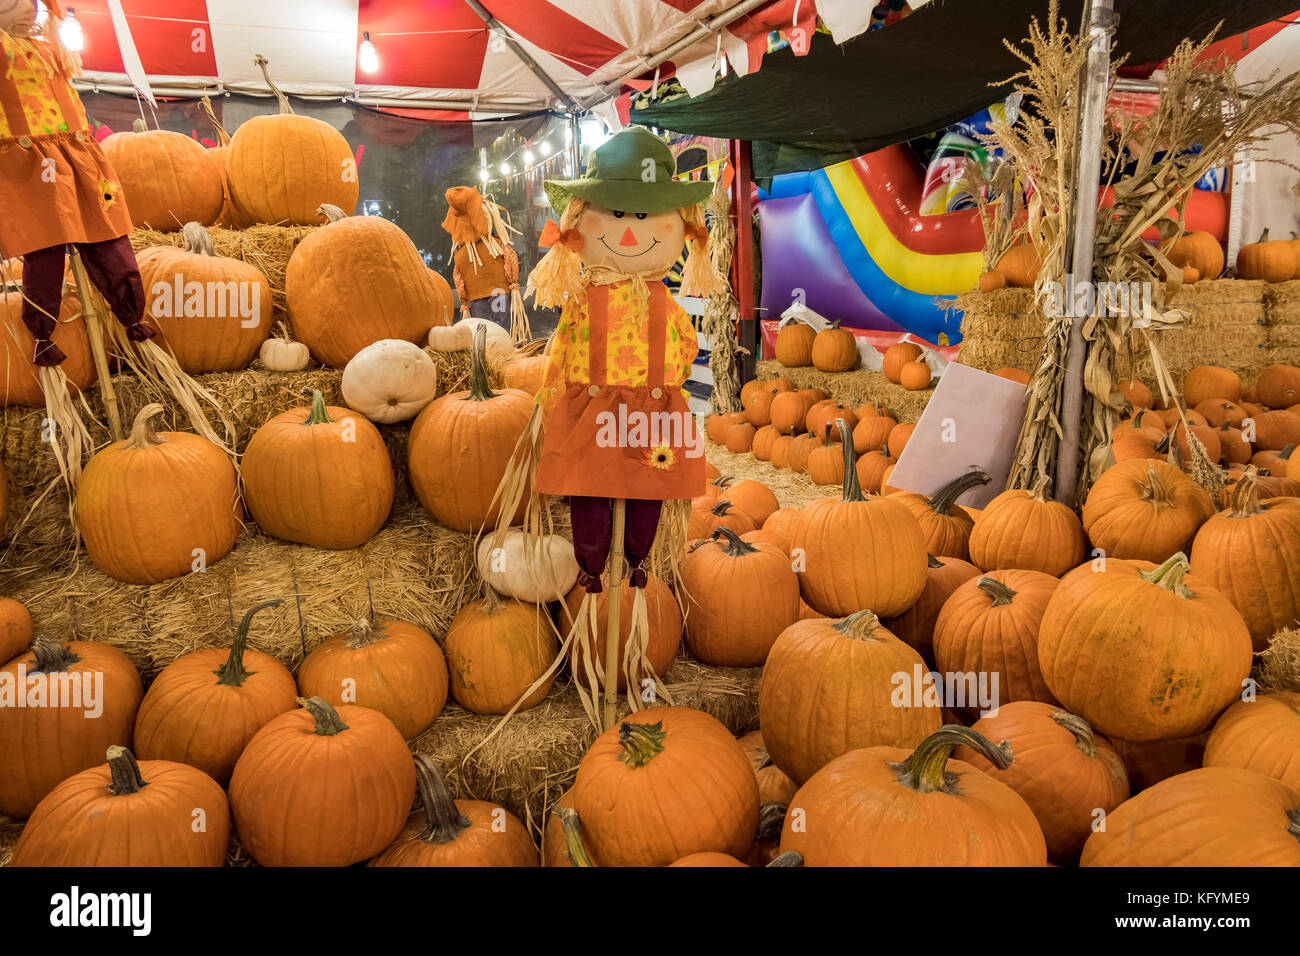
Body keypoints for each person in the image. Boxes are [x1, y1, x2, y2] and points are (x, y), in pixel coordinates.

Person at [0, 0, 156, 365]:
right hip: (29, 161)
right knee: (44, 247)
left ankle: (131, 318)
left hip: (76, 153)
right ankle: (42, 331)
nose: (26, 9)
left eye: (32, 3)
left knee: (109, 239)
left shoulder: (54, 49)